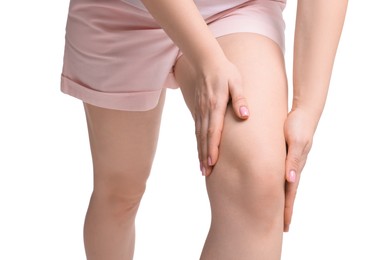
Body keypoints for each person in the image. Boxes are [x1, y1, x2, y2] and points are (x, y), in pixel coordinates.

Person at [60, 0, 348, 259]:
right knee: (120, 191)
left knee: (257, 181)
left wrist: (307, 106)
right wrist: (208, 57)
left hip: (233, 8)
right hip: (121, 11)